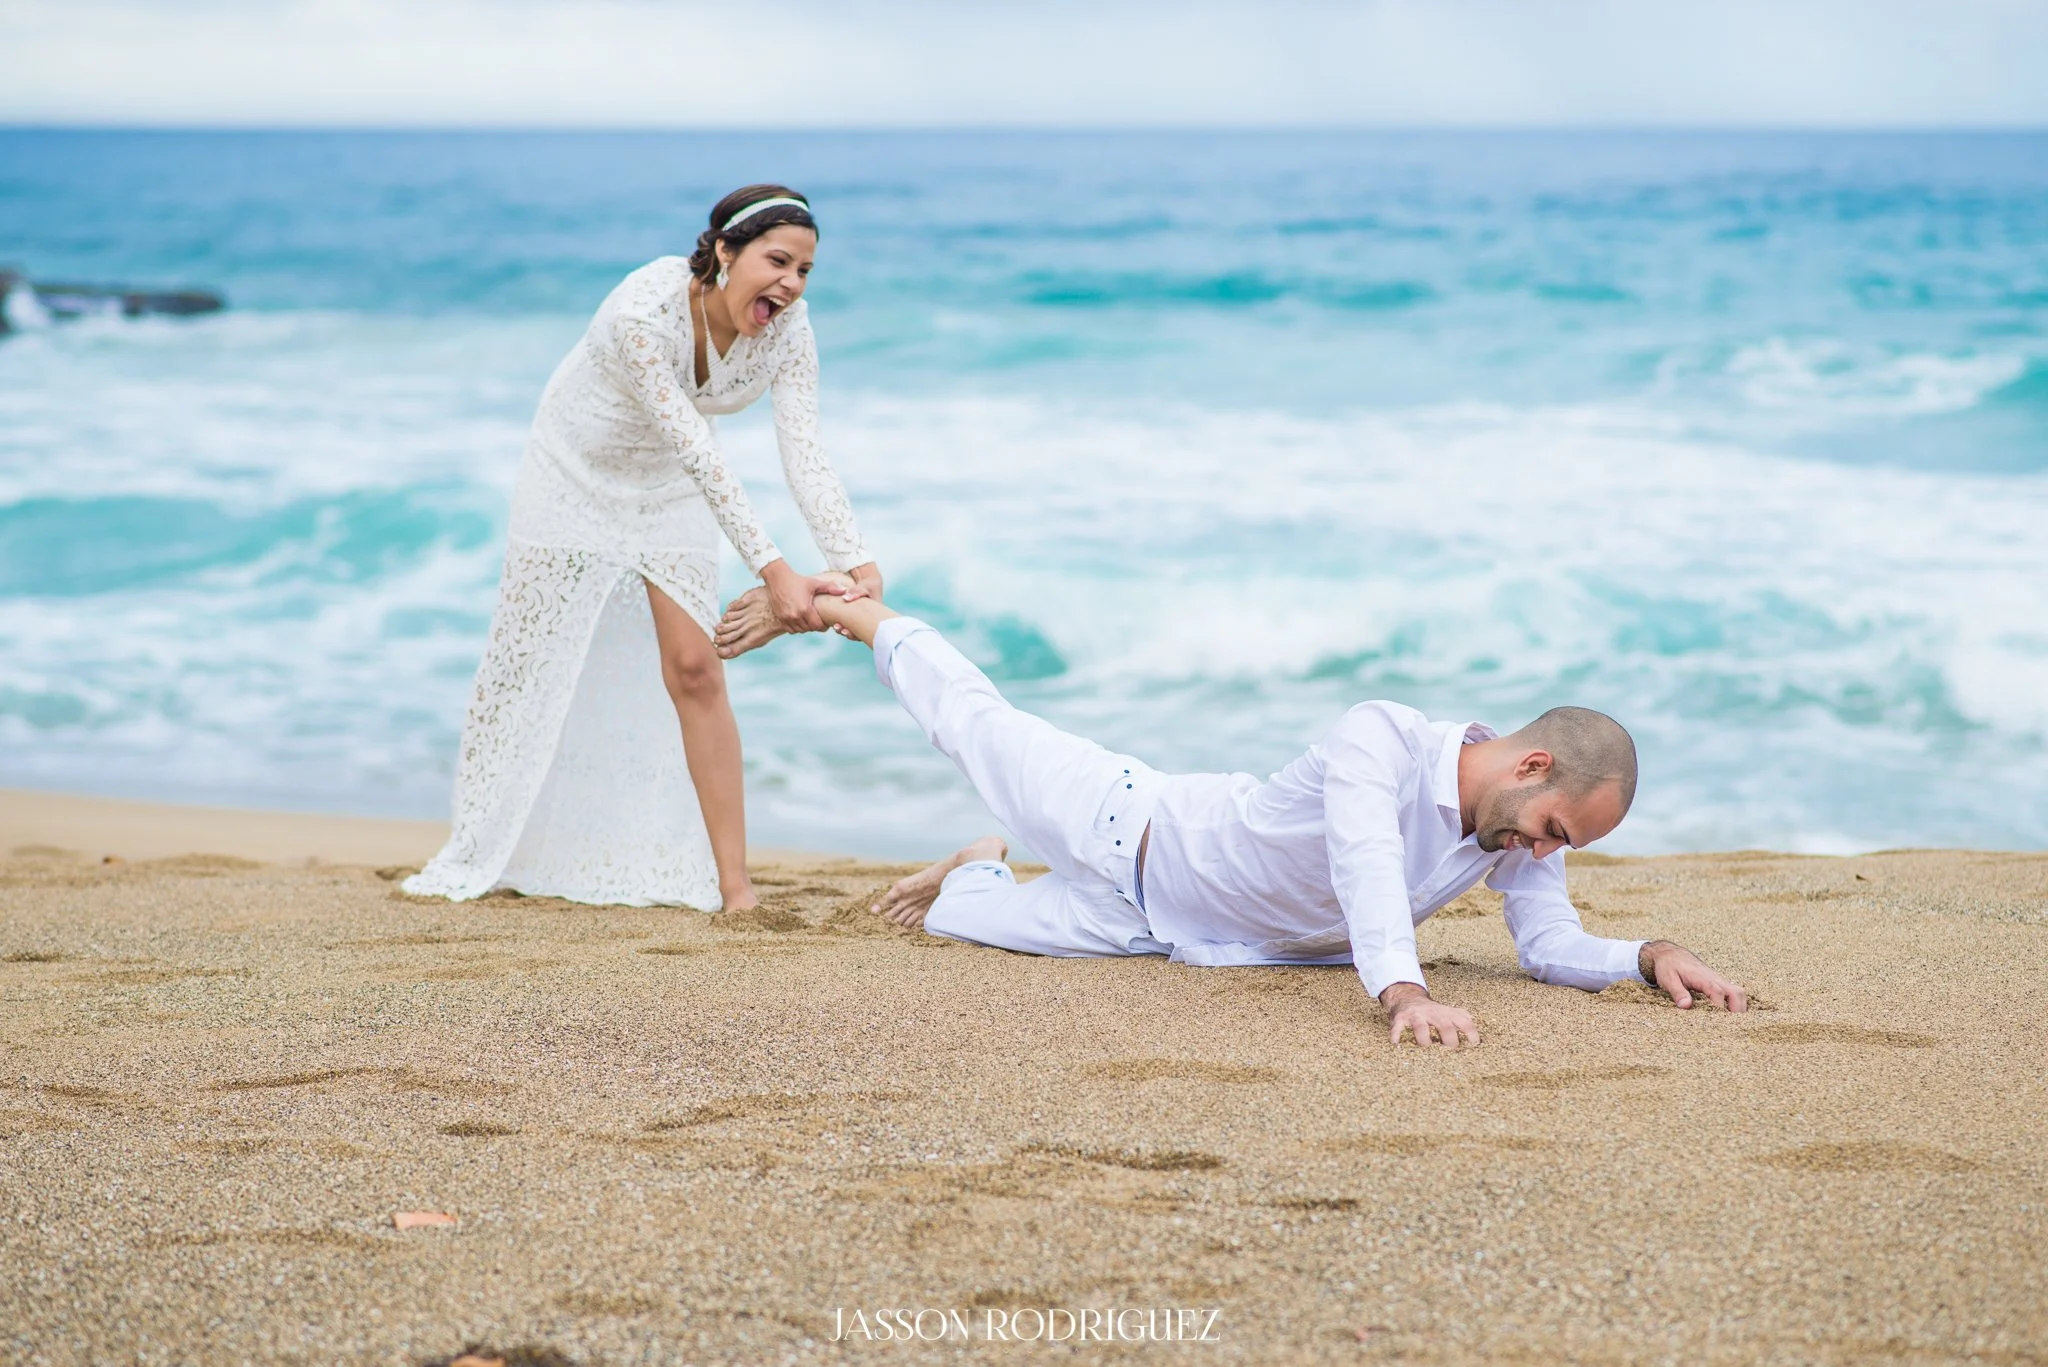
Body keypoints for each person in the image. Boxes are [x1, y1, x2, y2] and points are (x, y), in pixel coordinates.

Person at [716, 581, 1749, 1048]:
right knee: (975, 724)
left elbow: (1548, 944)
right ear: (1530, 762)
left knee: (950, 916)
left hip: (1153, 933)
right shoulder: (1379, 737)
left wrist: (1646, 954)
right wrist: (1402, 994)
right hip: (1124, 822)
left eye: (1557, 845)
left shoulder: (1508, 836)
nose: (1541, 853)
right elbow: (1362, 865)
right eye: (1553, 829)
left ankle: (979, 861)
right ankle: (855, 607)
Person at [407, 186, 877, 912]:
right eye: (777, 260)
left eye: (806, 270)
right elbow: (700, 448)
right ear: (725, 251)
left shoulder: (790, 327)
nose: (791, 283)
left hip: (669, 487)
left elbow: (803, 448)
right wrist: (774, 571)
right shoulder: (641, 312)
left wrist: (855, 560)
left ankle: (736, 888)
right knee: (532, 665)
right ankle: (483, 844)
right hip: (573, 470)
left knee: (695, 666)